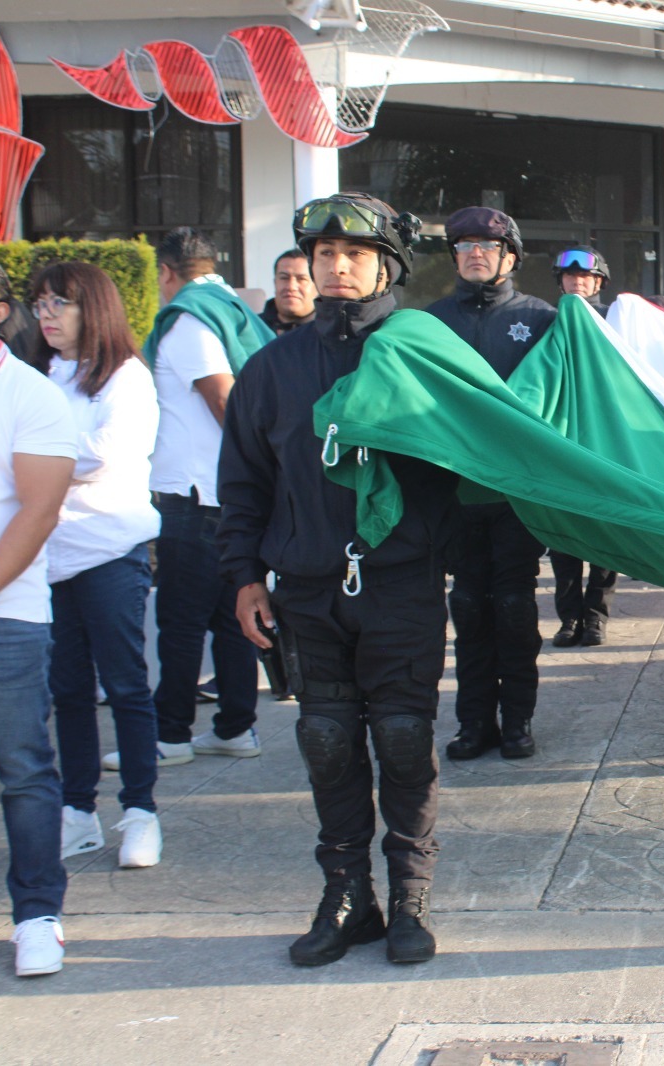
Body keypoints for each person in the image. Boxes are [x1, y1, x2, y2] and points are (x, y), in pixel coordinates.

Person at [219, 191, 456, 966]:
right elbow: (244, 482)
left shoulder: (425, 354)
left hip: (400, 584)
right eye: (323, 254)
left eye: (353, 254)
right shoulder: (271, 368)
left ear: (385, 264)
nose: (337, 266)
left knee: (402, 738)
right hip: (306, 587)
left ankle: (411, 897)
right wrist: (245, 575)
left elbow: (481, 456)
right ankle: (348, 896)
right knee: (325, 739)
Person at [119, 228, 268, 774]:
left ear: (165, 271)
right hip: (226, 494)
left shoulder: (187, 320)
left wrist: (251, 466)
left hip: (197, 494)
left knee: (181, 621)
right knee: (233, 618)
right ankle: (235, 726)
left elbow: (223, 397)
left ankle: (172, 733)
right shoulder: (234, 308)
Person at [31, 263, 165, 868]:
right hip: (48, 558)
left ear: (95, 308)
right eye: (40, 305)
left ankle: (141, 812)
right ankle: (77, 811)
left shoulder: (126, 378)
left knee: (127, 686)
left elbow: (104, 454)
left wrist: (28, 454)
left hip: (111, 552)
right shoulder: (38, 374)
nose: (48, 315)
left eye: (61, 303)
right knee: (68, 691)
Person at [0, 245, 77, 976]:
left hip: (1, 614)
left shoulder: (29, 394)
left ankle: (37, 915)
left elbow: (38, 511)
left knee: (23, 772)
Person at [425, 207, 557, 761]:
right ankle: (473, 721)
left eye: (488, 244)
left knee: (512, 605)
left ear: (511, 256)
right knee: (469, 606)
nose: (475, 252)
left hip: (515, 495)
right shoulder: (428, 322)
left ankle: (518, 719)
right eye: (464, 245)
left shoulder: (544, 319)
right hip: (455, 492)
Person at [547, 246, 620, 648]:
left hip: (604, 444)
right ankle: (569, 618)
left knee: (604, 539)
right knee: (563, 540)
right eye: (570, 275)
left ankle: (595, 618)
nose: (578, 281)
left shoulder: (615, 324)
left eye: (586, 277)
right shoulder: (546, 322)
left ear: (599, 282)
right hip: (561, 445)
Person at [260, 249, 318, 334]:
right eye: (284, 278)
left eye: (302, 279)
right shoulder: (253, 328)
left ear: (317, 286)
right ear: (275, 282)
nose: (291, 287)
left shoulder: (332, 332)